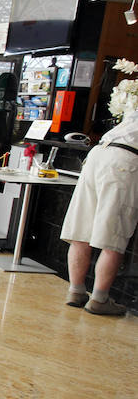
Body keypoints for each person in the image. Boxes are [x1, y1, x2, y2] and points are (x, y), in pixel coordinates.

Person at [60, 109, 138, 316]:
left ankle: (75, 291)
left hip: (99, 153)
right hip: (126, 159)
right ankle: (99, 299)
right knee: (113, 234)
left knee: (82, 227)